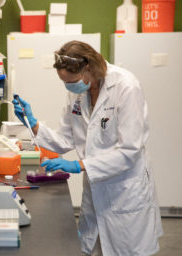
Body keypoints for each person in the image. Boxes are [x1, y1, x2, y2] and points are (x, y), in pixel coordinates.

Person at [12, 41, 163, 256]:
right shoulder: (78, 91)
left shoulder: (126, 86)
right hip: (95, 188)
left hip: (124, 188)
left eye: (71, 81)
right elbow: (64, 139)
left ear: (89, 69)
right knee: (94, 248)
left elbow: (129, 151)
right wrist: (33, 123)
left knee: (126, 250)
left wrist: (79, 164)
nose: (69, 87)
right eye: (64, 82)